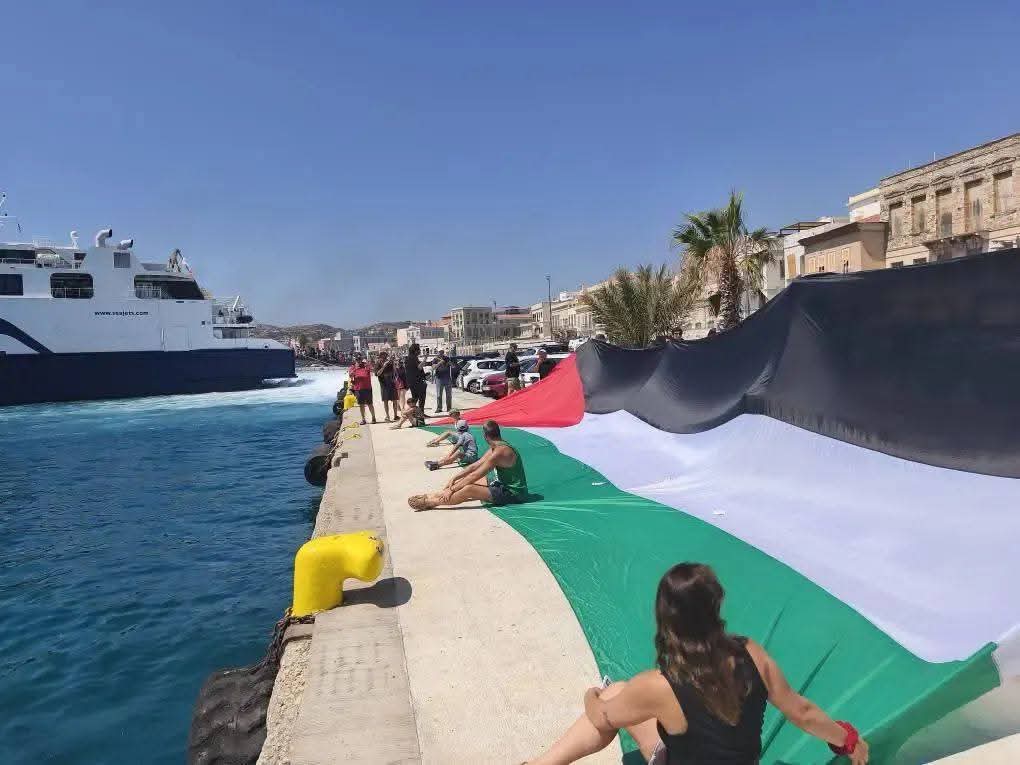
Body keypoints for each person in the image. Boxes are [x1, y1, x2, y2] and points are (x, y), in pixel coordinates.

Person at [527, 563, 869, 765]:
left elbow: (601, 717)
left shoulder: (659, 685)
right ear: (715, 607)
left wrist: (593, 695)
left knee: (614, 693)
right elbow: (802, 712)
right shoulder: (751, 653)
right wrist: (849, 740)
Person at [407, 420, 527, 510]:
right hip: (502, 484)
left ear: (485, 436)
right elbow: (474, 466)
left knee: (469, 489)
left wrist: (453, 489)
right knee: (463, 482)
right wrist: (455, 478)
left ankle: (431, 502)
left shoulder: (499, 452)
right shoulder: (498, 446)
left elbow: (475, 475)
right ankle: (432, 495)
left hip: (513, 494)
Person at [348, 356, 377, 425]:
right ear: (355, 360)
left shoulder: (366, 365)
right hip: (358, 389)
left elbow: (374, 370)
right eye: (357, 359)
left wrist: (369, 364)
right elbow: (350, 375)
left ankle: (373, 418)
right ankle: (363, 419)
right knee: (361, 405)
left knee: (370, 404)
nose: (358, 360)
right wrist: (355, 369)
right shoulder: (353, 367)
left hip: (367, 388)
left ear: (361, 359)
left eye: (359, 359)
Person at [375, 351, 398, 421]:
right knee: (385, 401)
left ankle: (395, 415)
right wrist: (384, 366)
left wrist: (393, 363)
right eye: (383, 357)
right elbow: (377, 374)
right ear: (380, 357)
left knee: (395, 400)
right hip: (384, 384)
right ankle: (387, 416)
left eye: (386, 356)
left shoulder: (389, 363)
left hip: (391, 383)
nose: (385, 358)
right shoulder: (378, 364)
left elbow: (395, 372)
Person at [405, 343, 427, 409]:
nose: (420, 351)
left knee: (415, 398)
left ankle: (413, 412)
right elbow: (419, 367)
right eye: (419, 349)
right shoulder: (413, 358)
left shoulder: (409, 358)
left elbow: (414, 369)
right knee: (421, 398)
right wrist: (425, 358)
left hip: (412, 381)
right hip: (417, 382)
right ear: (415, 351)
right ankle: (419, 413)